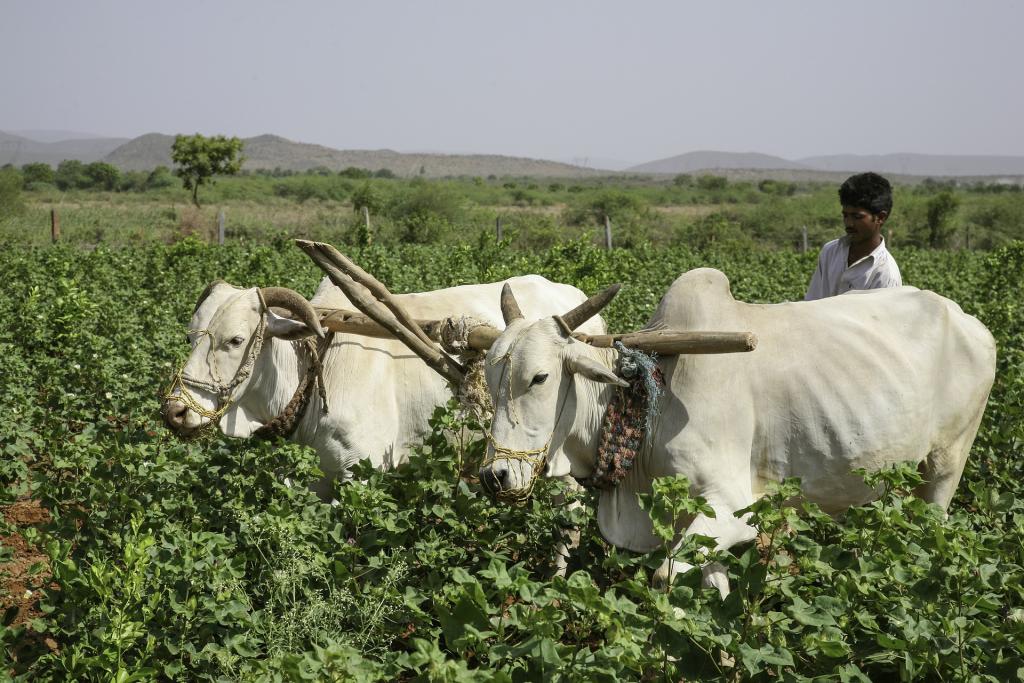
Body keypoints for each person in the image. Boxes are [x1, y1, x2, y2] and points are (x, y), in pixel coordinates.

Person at [805, 172, 902, 301]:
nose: (849, 223)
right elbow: (812, 301)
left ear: (880, 218)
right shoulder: (830, 251)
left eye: (857, 217)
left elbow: (880, 320)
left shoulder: (886, 274)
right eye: (845, 215)